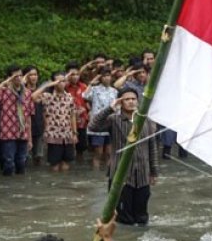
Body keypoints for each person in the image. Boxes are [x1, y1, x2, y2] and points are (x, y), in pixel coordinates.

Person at [89, 88, 158, 225]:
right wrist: (110, 108)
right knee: (122, 218)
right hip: (120, 176)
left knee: (142, 217)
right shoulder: (113, 120)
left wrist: (154, 172)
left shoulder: (146, 121)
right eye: (127, 99)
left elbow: (152, 147)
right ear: (121, 102)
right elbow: (93, 126)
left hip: (143, 175)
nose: (131, 102)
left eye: (133, 99)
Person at [0, 65, 35, 176]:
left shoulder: (27, 93)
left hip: (23, 133)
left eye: (20, 75)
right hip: (8, 133)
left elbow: (28, 117)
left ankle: (19, 187)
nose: (19, 78)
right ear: (9, 77)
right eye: (15, 76)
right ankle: (8, 185)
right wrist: (4, 83)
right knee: (9, 162)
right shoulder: (4, 91)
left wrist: (30, 138)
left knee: (22, 162)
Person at [32, 72, 77, 172]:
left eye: (63, 81)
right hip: (53, 135)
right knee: (54, 164)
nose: (62, 83)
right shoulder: (47, 96)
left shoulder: (69, 97)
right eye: (59, 81)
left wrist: (74, 133)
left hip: (67, 134)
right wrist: (47, 85)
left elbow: (72, 115)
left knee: (66, 163)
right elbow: (33, 97)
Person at [83, 69, 118, 170]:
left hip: (110, 123)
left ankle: (109, 173)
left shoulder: (114, 91)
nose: (107, 78)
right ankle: (96, 173)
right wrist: (92, 82)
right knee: (98, 152)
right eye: (104, 76)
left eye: (108, 75)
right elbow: (84, 96)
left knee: (109, 152)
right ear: (100, 78)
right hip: (98, 124)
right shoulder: (94, 89)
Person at [64, 61, 89, 160]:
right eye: (72, 74)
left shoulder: (84, 86)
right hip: (67, 122)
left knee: (81, 149)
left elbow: (88, 102)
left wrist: (85, 109)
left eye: (77, 74)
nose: (75, 77)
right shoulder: (64, 86)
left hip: (82, 121)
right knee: (68, 150)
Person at [24, 65, 46, 165]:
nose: (34, 77)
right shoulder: (21, 91)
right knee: (25, 158)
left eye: (35, 74)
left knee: (38, 157)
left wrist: (46, 128)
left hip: (39, 126)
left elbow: (45, 111)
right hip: (25, 127)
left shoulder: (42, 91)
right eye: (31, 74)